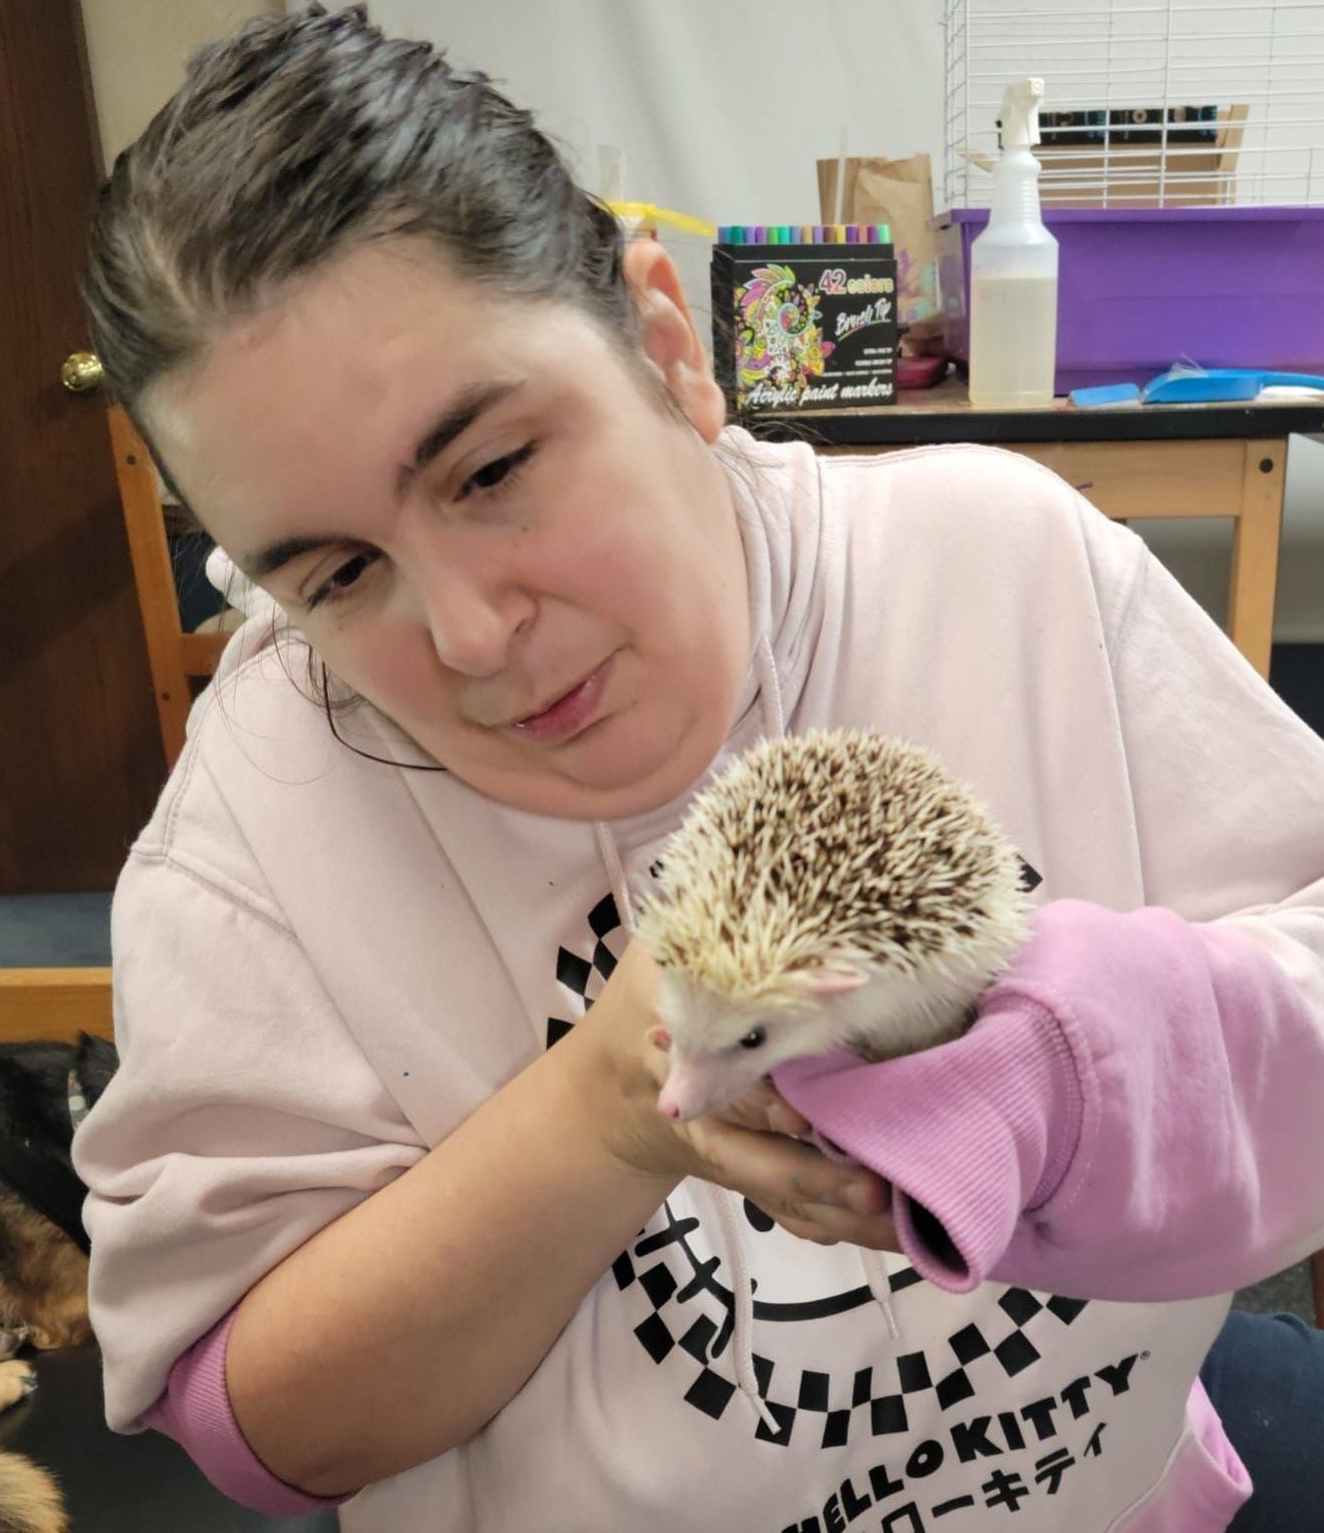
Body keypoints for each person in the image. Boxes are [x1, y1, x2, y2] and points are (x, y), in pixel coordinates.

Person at [73, 7, 1324, 1532]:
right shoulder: (250, 832)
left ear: (665, 345)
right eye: (332, 575)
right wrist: (606, 1111)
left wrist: (1081, 1068)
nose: (470, 637)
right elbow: (258, 1426)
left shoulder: (1008, 561)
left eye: (491, 468)